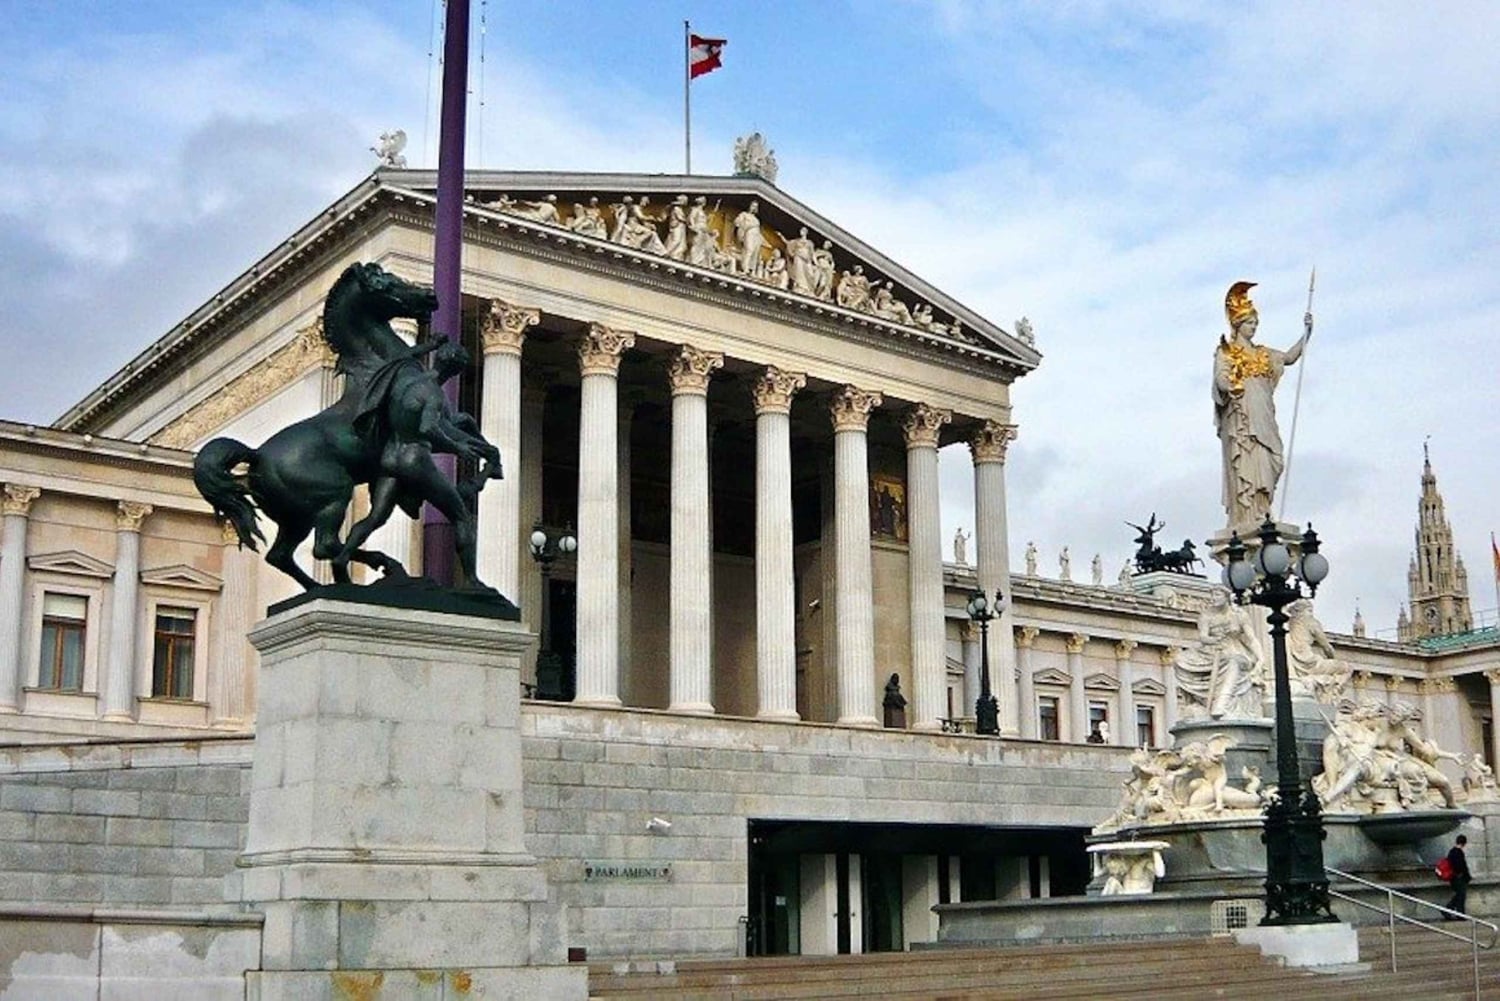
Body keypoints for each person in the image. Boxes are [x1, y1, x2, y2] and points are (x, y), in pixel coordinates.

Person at [1212, 282, 1310, 530]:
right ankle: (1248, 515)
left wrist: (1306, 334)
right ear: (1237, 325)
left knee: (1274, 459)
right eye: (1249, 324)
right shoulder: (1227, 352)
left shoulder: (1264, 353)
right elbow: (1221, 379)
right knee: (1248, 461)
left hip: (1264, 414)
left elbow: (1288, 358)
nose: (1254, 328)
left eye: (1255, 324)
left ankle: (1263, 509)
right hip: (1242, 417)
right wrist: (1229, 386)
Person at [1444, 835, 1471, 918]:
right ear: (1464, 843)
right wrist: (1467, 876)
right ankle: (1458, 913)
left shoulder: (1451, 851)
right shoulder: (1459, 852)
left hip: (1453, 877)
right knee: (1461, 896)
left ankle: (1449, 910)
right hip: (1459, 878)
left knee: (1459, 895)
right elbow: (1462, 866)